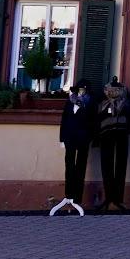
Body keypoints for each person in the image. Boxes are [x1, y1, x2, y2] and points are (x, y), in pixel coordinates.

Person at [52, 78, 95, 215]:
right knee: (69, 165)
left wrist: (91, 138)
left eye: (84, 90)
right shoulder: (70, 101)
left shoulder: (90, 103)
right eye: (80, 90)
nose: (82, 92)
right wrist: (62, 138)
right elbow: (64, 120)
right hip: (70, 137)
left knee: (80, 166)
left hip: (83, 138)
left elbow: (94, 121)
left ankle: (76, 197)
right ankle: (68, 194)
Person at [97, 77, 130, 212]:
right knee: (107, 166)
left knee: (120, 166)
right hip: (107, 134)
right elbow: (98, 117)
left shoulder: (126, 101)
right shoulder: (103, 100)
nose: (113, 92)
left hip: (120, 135)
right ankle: (109, 198)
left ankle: (117, 199)